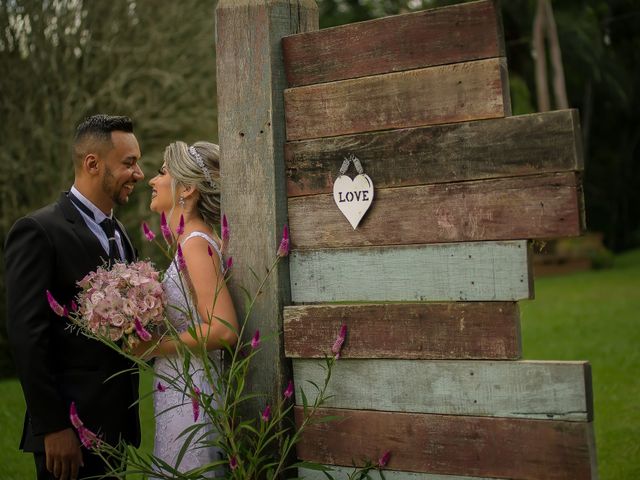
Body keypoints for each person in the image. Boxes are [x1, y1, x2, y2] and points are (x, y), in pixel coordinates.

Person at [5, 114, 144, 479]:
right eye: (129, 163)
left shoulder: (121, 235)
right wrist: (52, 426)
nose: (139, 173)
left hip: (116, 430)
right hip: (67, 437)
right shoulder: (38, 231)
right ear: (93, 164)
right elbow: (27, 336)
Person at [136, 140, 237, 477]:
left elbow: (224, 329)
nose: (152, 180)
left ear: (188, 188)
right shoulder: (189, 242)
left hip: (194, 395)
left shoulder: (195, 243)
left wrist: (155, 346)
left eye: (162, 172)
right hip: (180, 388)